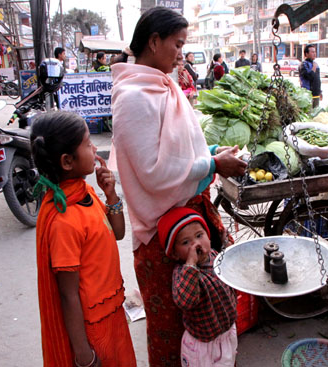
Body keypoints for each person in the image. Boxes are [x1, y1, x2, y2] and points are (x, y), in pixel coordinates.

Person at [109, 7, 246, 366]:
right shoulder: (133, 98)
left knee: (205, 315)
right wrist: (214, 164)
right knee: (171, 327)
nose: (181, 54)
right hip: (162, 235)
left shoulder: (162, 86)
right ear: (154, 42)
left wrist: (213, 152)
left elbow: (183, 148)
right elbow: (154, 172)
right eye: (178, 44)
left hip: (189, 218)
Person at [30, 111, 137, 367]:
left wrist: (111, 195)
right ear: (67, 162)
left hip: (111, 313)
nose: (94, 148)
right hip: (94, 327)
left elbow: (118, 232)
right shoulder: (63, 220)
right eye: (88, 143)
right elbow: (67, 295)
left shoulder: (84, 192)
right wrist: (84, 356)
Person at [157, 207, 238, 367]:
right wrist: (191, 264)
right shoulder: (183, 273)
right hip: (202, 346)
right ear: (174, 254)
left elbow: (233, 272)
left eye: (199, 236)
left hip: (226, 334)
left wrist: (227, 246)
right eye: (186, 242)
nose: (196, 244)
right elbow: (185, 301)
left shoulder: (215, 256)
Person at [299, 44, 322, 108]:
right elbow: (308, 76)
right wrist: (313, 68)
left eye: (315, 52)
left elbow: (317, 79)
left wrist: (320, 91)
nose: (314, 54)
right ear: (306, 54)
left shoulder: (315, 64)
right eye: (312, 52)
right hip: (308, 94)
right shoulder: (303, 65)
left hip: (316, 94)